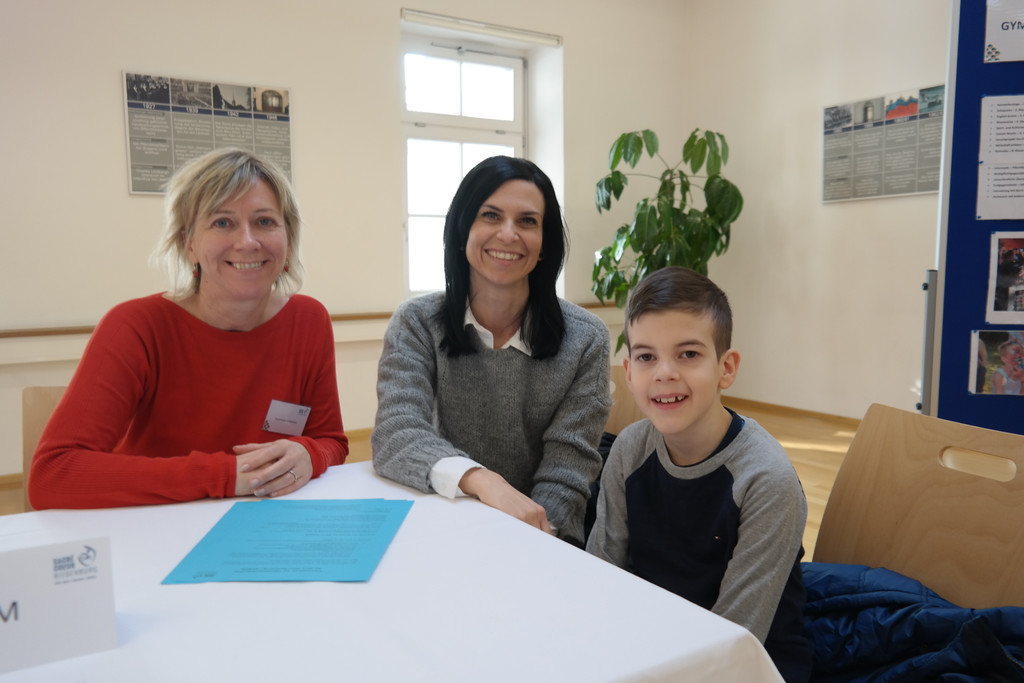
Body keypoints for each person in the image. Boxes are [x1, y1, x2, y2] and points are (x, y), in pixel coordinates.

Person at [29, 148, 348, 509]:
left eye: (264, 221)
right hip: (156, 524)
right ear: (189, 244)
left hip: (265, 523)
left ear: (288, 240)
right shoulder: (135, 327)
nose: (247, 241)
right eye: (222, 223)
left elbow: (330, 441)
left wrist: (309, 454)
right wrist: (228, 475)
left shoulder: (309, 320)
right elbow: (54, 474)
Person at [586, 267, 811, 682]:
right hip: (650, 646)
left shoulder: (766, 479)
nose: (664, 373)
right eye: (647, 356)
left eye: (688, 354)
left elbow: (736, 643)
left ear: (727, 368)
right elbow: (601, 578)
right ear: (629, 372)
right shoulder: (629, 449)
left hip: (744, 665)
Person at [372, 156, 611, 547]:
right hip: (443, 525)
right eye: (491, 215)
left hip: (540, 538)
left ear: (545, 244)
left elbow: (567, 470)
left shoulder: (586, 338)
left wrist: (530, 539)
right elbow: (397, 433)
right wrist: (483, 480)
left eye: (527, 221)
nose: (508, 234)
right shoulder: (417, 322)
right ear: (462, 229)